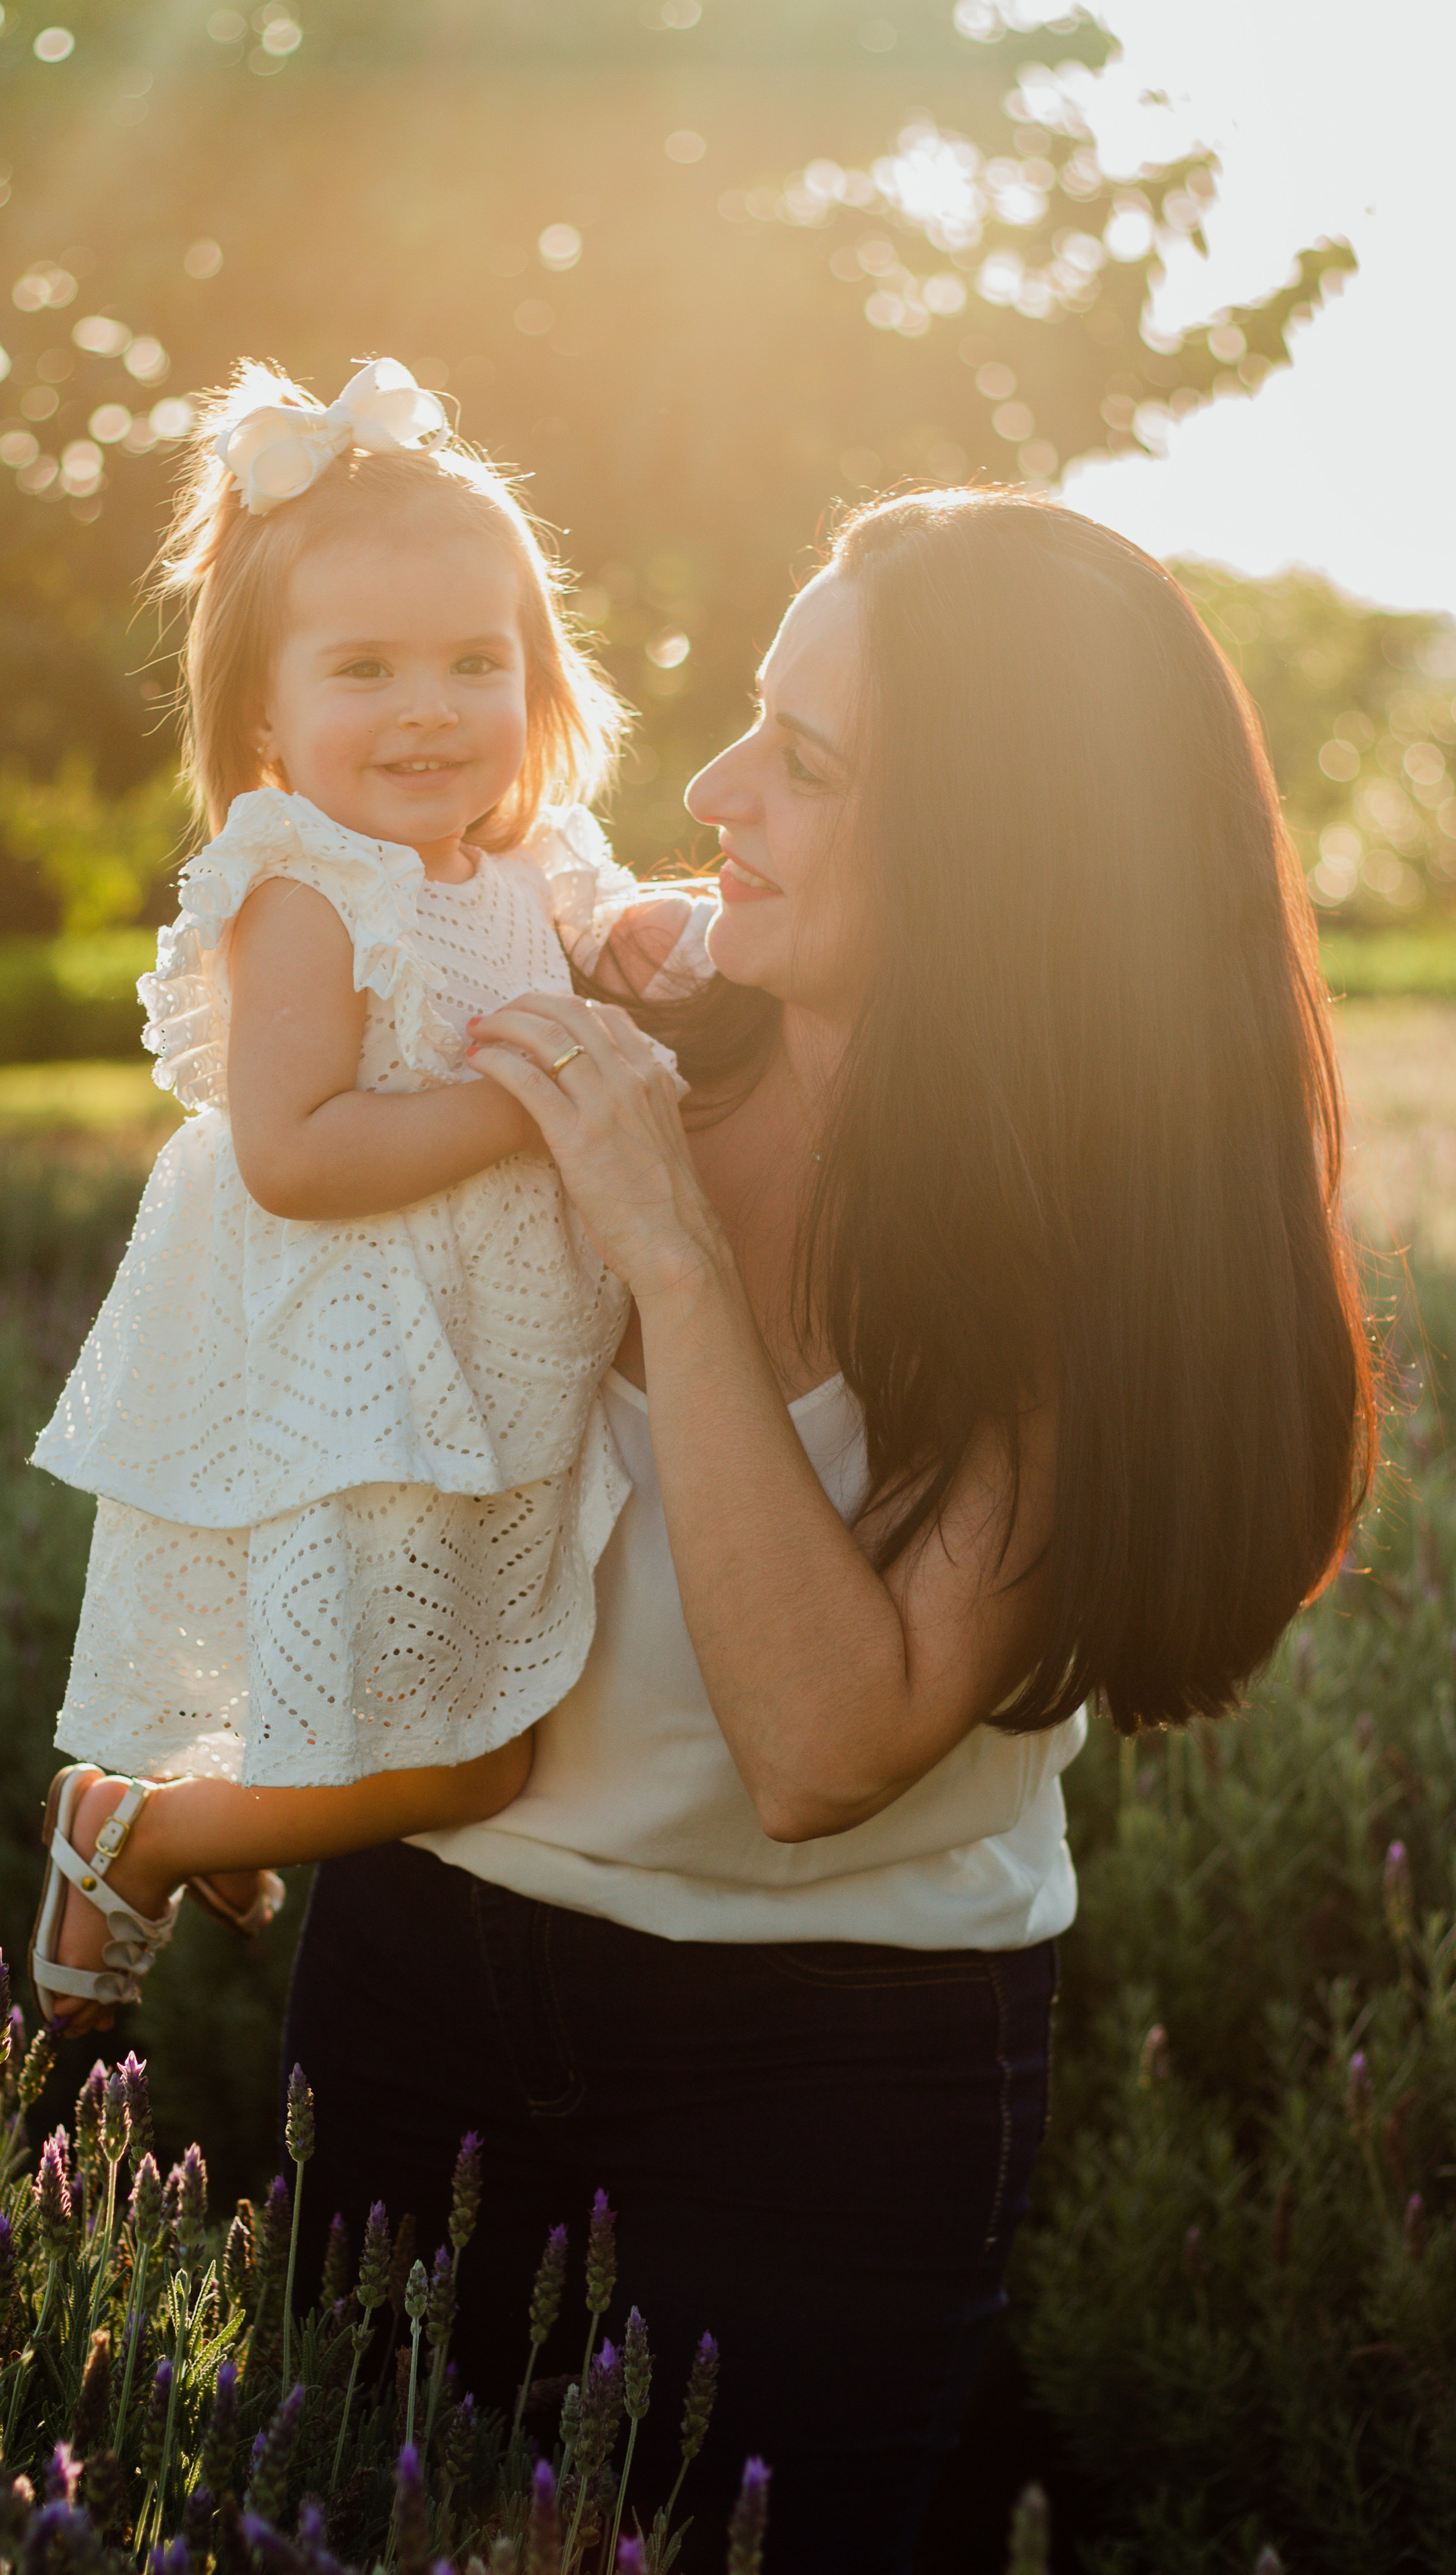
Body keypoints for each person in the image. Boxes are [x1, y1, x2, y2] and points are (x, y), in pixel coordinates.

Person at [278, 488, 1376, 2570]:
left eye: (807, 761)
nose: (712, 789)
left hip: (825, 2061)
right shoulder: (637, 1012)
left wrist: (668, 1260)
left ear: (994, 861)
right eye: (748, 723)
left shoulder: (1097, 1261)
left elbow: (820, 1748)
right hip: (417, 1964)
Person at [26, 357, 702, 2033]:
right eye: (365, 669)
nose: (429, 708)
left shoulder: (527, 853)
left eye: (477, 661)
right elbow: (296, 1151)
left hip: (503, 1352)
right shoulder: (305, 888)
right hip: (368, 1362)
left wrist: (667, 945)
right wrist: (525, 1104)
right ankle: (138, 1830)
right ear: (264, 715)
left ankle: (239, 1803)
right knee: (470, 1761)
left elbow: (617, 936)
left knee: (469, 1681)